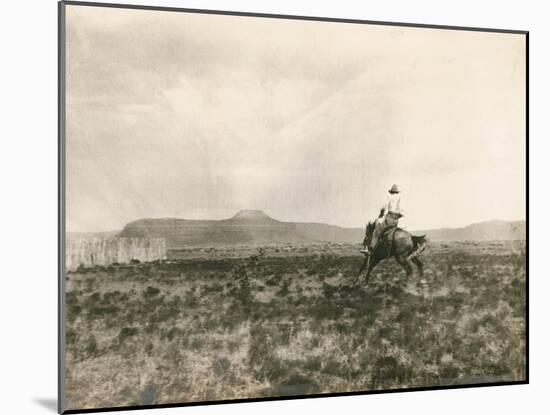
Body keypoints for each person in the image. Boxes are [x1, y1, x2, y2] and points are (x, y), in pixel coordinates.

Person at [361, 184, 404, 253]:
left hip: (389, 218)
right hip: (396, 221)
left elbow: (384, 208)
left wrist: (381, 214)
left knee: (377, 231)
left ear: (391, 191)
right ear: (397, 192)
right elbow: (402, 211)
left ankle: (370, 248)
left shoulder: (389, 197)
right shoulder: (400, 198)